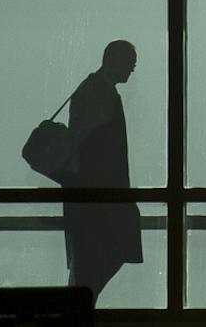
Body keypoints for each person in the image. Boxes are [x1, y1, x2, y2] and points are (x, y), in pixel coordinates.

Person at [63, 40, 143, 299]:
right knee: (98, 261)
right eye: (129, 63)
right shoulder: (99, 93)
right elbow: (93, 146)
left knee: (90, 266)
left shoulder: (93, 89)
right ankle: (79, 309)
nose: (132, 69)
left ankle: (79, 307)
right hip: (99, 197)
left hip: (95, 196)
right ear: (114, 60)